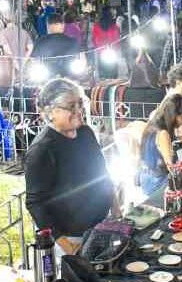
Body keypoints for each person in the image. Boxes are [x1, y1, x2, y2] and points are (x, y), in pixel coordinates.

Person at [25, 79, 118, 256]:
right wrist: (68, 246)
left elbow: (103, 175)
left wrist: (116, 212)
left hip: (101, 226)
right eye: (71, 106)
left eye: (80, 103)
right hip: (71, 239)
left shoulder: (86, 133)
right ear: (51, 112)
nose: (79, 110)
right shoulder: (42, 150)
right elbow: (35, 204)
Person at [138, 94, 182, 195]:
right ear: (173, 115)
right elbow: (171, 168)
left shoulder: (153, 124)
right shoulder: (163, 134)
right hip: (157, 184)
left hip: (146, 178)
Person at [32, 13, 80, 78]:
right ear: (63, 25)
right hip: (69, 76)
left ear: (48, 25)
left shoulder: (40, 41)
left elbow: (34, 60)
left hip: (46, 78)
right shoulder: (73, 41)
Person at [92, 8, 121, 80]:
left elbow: (95, 40)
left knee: (103, 74)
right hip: (112, 52)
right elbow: (117, 40)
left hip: (101, 52)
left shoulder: (96, 26)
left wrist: (99, 48)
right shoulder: (114, 27)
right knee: (113, 73)